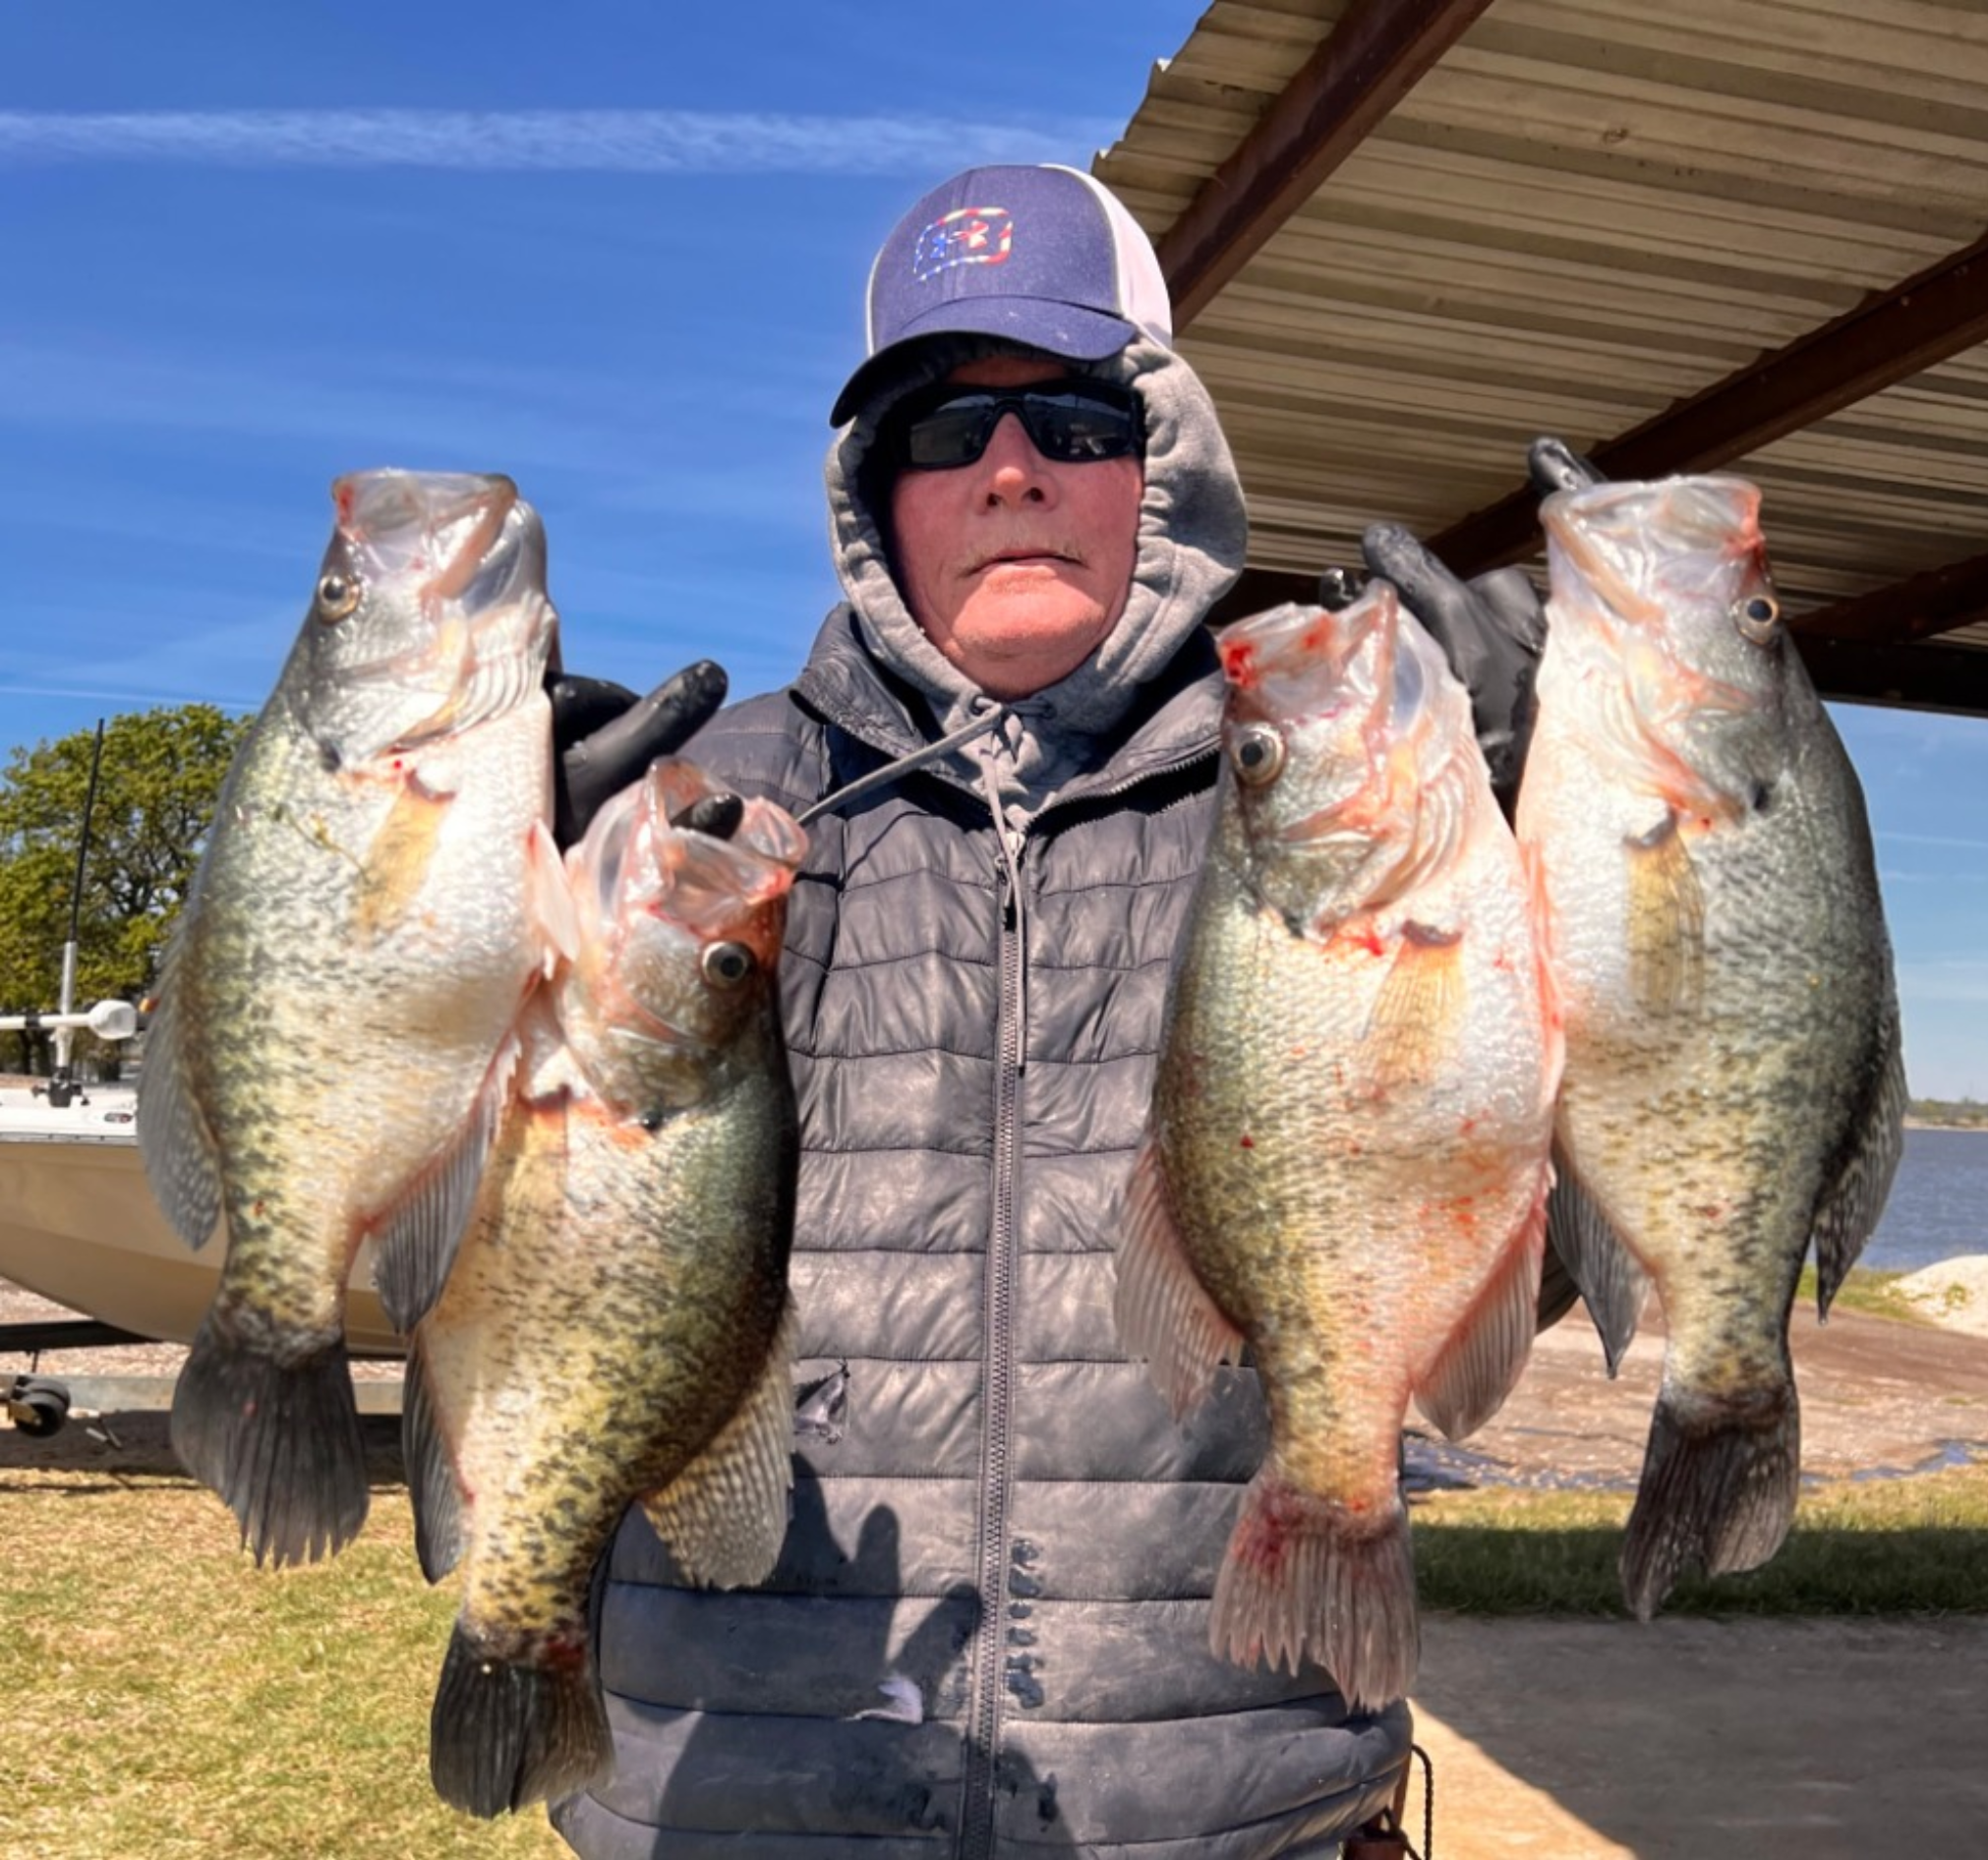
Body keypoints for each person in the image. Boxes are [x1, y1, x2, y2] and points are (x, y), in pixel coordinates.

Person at [545, 162, 1549, 1859]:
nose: (1010, 470)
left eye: (1075, 419)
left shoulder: (1335, 799)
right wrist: (453, 895)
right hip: (734, 1801)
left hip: (1230, 1803)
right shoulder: (697, 824)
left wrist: (1569, 839)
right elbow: (445, 1220)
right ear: (879, 497)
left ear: (1161, 463)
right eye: (943, 432)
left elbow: (1569, 1211)